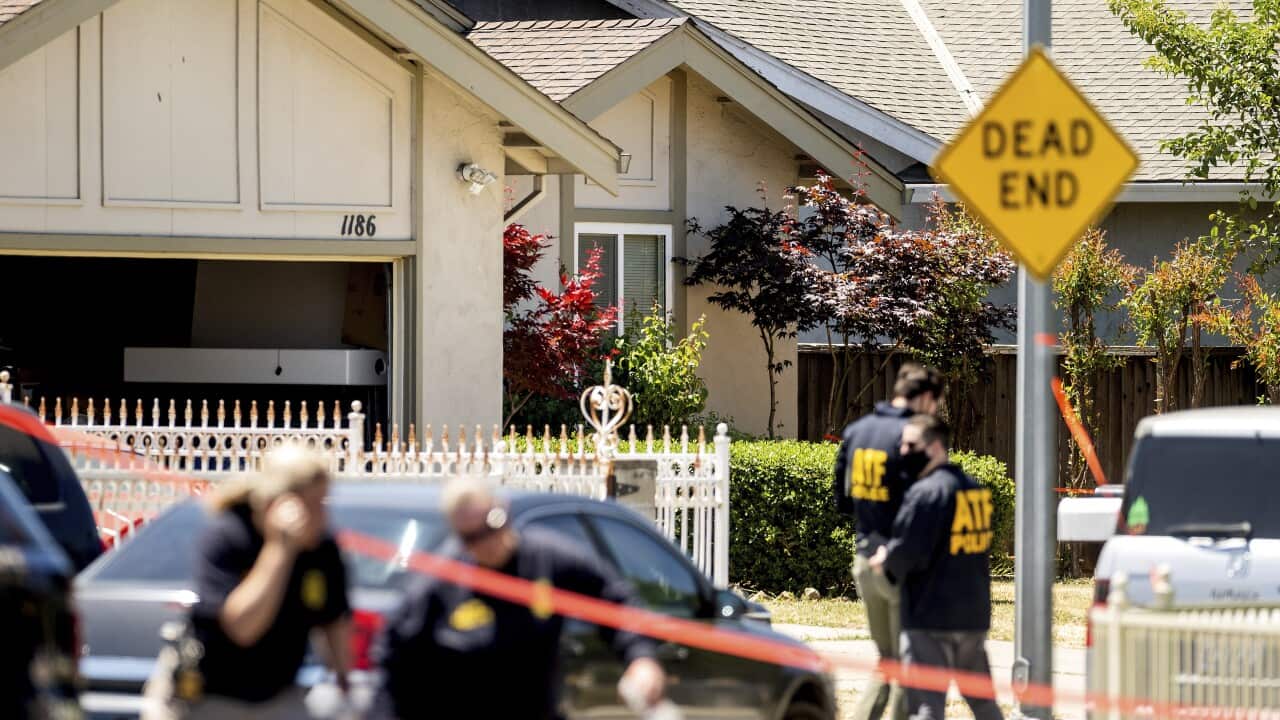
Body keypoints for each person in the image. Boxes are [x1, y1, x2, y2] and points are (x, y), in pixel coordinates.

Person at [376, 475, 667, 719]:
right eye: (472, 538)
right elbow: (395, 657)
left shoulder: (547, 560)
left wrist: (640, 657)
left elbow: (614, 599)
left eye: (493, 524)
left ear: (503, 510)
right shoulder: (442, 582)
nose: (487, 542)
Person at [143, 446, 352, 720]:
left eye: (324, 504)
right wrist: (280, 549)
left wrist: (345, 686)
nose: (322, 517)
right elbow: (242, 627)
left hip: (276, 694)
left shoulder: (321, 549)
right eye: (312, 505)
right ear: (274, 504)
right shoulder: (228, 536)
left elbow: (333, 620)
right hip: (210, 695)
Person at [870, 415, 1002, 720]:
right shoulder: (976, 491)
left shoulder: (925, 494)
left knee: (927, 707)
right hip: (972, 616)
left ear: (936, 448)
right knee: (983, 703)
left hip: (929, 618)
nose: (903, 451)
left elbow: (908, 550)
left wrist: (884, 560)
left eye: (911, 444)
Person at [833, 362, 943, 720]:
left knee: (888, 662)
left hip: (864, 558)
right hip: (900, 562)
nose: (936, 413)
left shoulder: (857, 431)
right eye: (936, 404)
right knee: (907, 670)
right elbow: (924, 503)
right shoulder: (913, 438)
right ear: (925, 398)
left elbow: (842, 499)